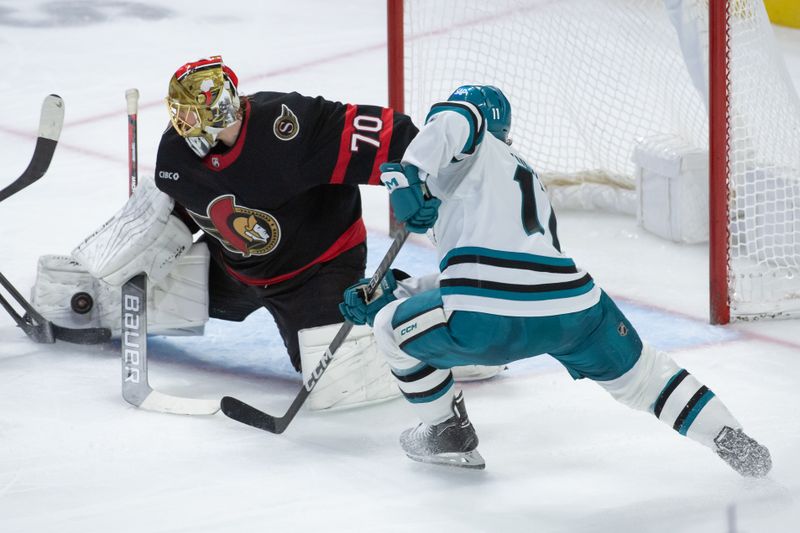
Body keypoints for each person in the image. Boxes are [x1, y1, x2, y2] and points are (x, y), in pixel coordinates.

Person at [339, 85, 772, 476]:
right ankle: (729, 437)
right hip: (574, 305)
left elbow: (459, 115)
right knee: (644, 379)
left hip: (489, 315)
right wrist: (396, 290)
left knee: (388, 329)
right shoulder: (520, 178)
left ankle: (446, 433)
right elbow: (491, 273)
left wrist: (410, 171)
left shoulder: (474, 142)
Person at [153, 55, 420, 375]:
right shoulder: (175, 151)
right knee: (144, 301)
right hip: (236, 270)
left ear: (217, 110)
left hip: (318, 270)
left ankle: (417, 315)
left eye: (187, 111)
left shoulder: (287, 128)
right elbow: (180, 206)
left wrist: (426, 169)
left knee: (337, 374)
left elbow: (386, 136)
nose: (179, 120)